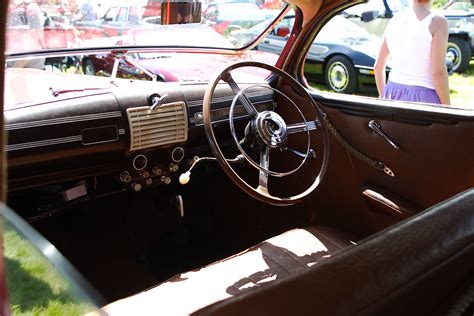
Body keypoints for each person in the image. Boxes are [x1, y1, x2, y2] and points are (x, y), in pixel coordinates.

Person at [374, 0, 451, 105]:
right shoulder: (438, 22)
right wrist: (448, 108)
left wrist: (383, 96)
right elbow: (438, 74)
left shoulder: (395, 20)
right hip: (424, 98)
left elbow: (378, 67)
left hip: (392, 93)